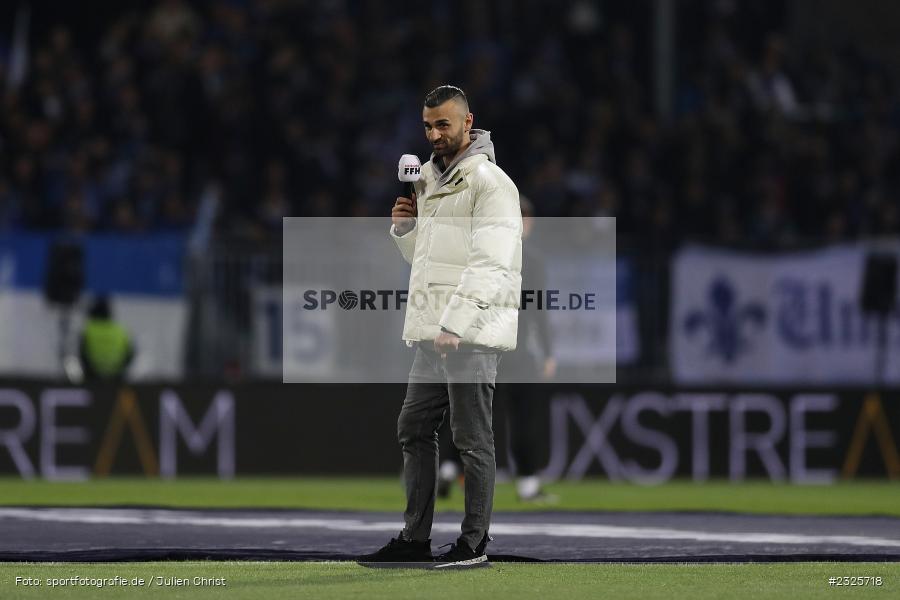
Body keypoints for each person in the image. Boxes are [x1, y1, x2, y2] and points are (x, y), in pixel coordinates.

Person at [360, 85, 522, 567]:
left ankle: (474, 542)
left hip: (468, 332)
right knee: (413, 427)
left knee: (472, 438)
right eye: (428, 126)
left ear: (468, 123)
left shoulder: (491, 184)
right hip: (436, 332)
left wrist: (455, 323)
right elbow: (429, 261)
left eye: (443, 124)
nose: (434, 134)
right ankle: (415, 539)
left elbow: (492, 263)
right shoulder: (430, 179)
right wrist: (405, 231)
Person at [437, 196, 558, 504]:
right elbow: (539, 311)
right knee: (522, 417)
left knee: (470, 414)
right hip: (514, 349)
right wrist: (547, 352)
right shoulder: (530, 260)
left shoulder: (479, 255)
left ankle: (448, 469)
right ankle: (527, 484)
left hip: (479, 347)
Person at [79, 296, 135, 382]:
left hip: (93, 377)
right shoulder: (120, 330)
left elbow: (82, 354)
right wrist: (120, 370)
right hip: (117, 377)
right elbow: (130, 354)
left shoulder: (88, 330)